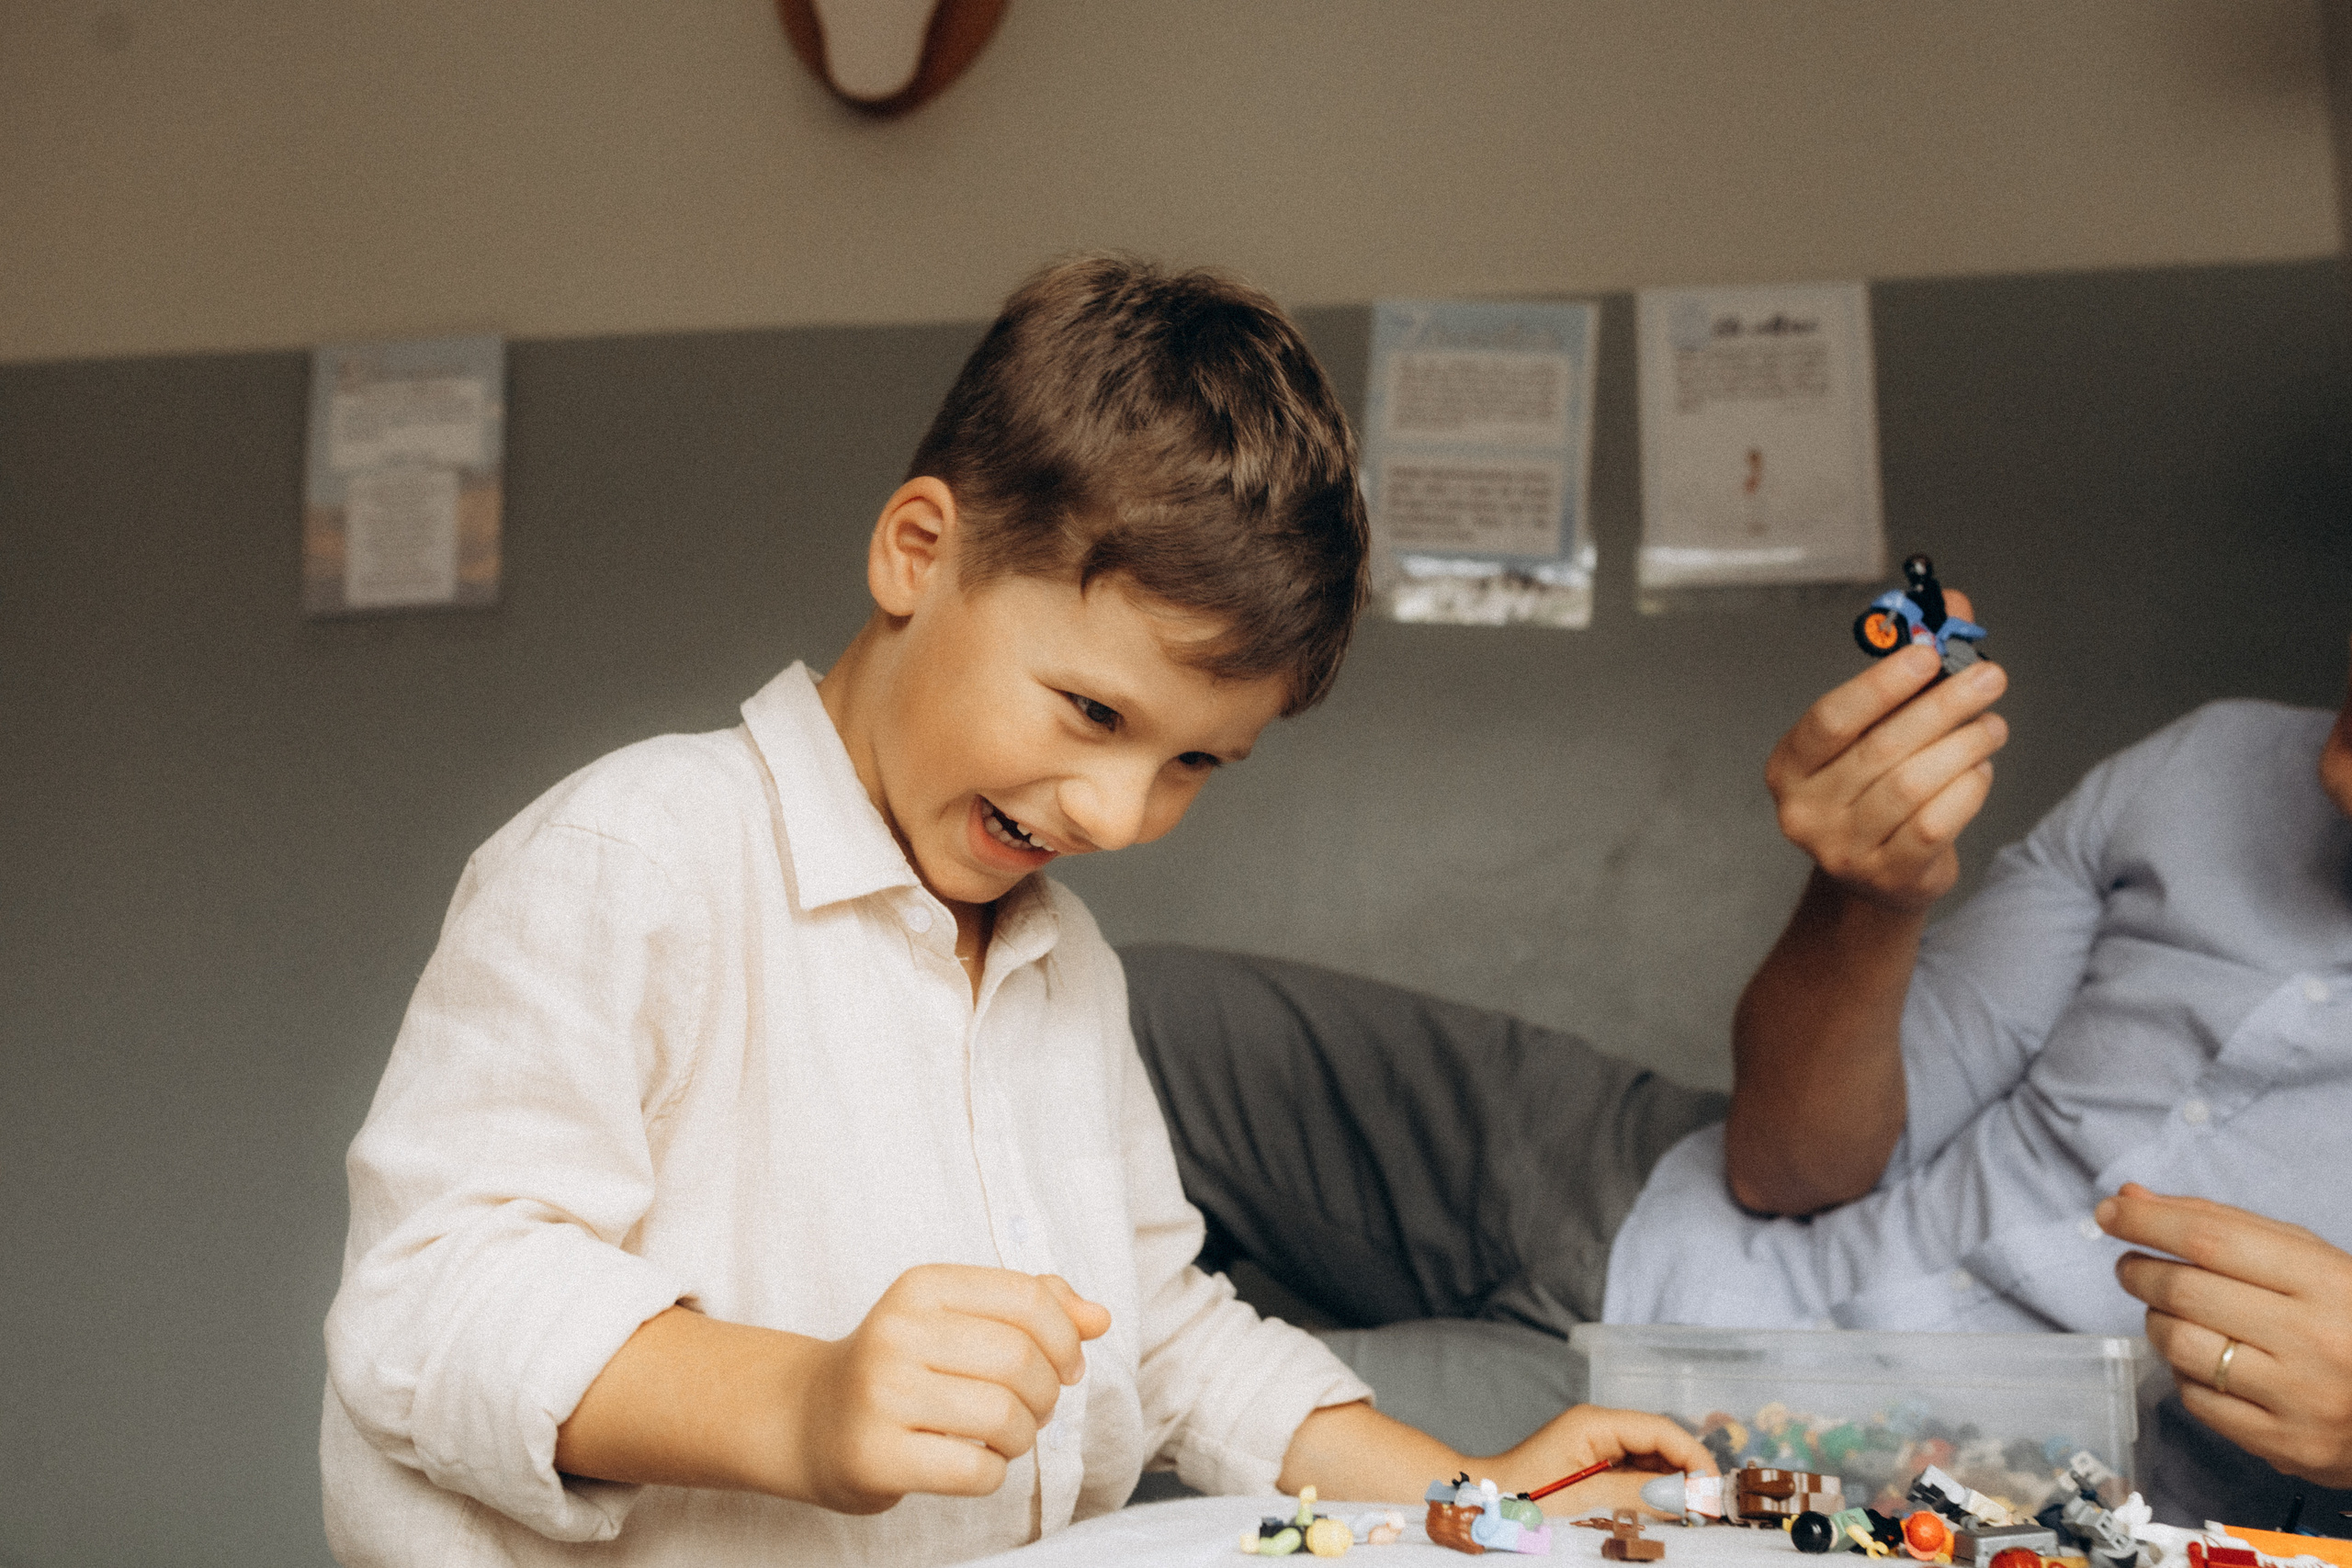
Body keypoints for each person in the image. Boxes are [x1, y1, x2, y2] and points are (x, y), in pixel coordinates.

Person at [320, 255, 1709, 1568]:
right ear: (918, 554)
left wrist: (1471, 1493)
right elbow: (432, 1300)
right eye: (1093, 711)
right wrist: (802, 1403)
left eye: (1193, 763)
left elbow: (1164, 1341)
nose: (1118, 813)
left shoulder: (1064, 967)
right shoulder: (637, 860)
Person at [1124, 614, 2352, 1525]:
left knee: (1137, 1462)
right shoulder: (2209, 766)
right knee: (1126, 1017)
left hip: (1794, 1462)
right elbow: (1789, 1166)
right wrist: (1871, 896)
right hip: (1661, 1184)